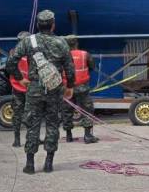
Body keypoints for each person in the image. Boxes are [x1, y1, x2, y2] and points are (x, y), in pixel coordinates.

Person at [7, 10, 75, 175]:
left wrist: (20, 78)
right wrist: (70, 86)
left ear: (37, 25)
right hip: (54, 89)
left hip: (35, 88)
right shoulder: (61, 43)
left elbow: (11, 62)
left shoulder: (28, 42)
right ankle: (49, 163)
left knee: (32, 124)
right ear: (53, 25)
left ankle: (30, 164)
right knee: (52, 124)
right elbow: (69, 68)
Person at [62, 35, 99, 144]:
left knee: (66, 111)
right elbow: (92, 67)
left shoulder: (62, 56)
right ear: (76, 43)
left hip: (67, 88)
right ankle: (87, 136)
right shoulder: (85, 54)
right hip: (82, 87)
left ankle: (69, 136)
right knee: (87, 110)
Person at [9, 31, 30, 148]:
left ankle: (17, 140)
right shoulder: (33, 54)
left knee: (17, 114)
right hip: (29, 88)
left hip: (16, 88)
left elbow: (9, 68)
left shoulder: (13, 53)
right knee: (32, 114)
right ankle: (31, 138)